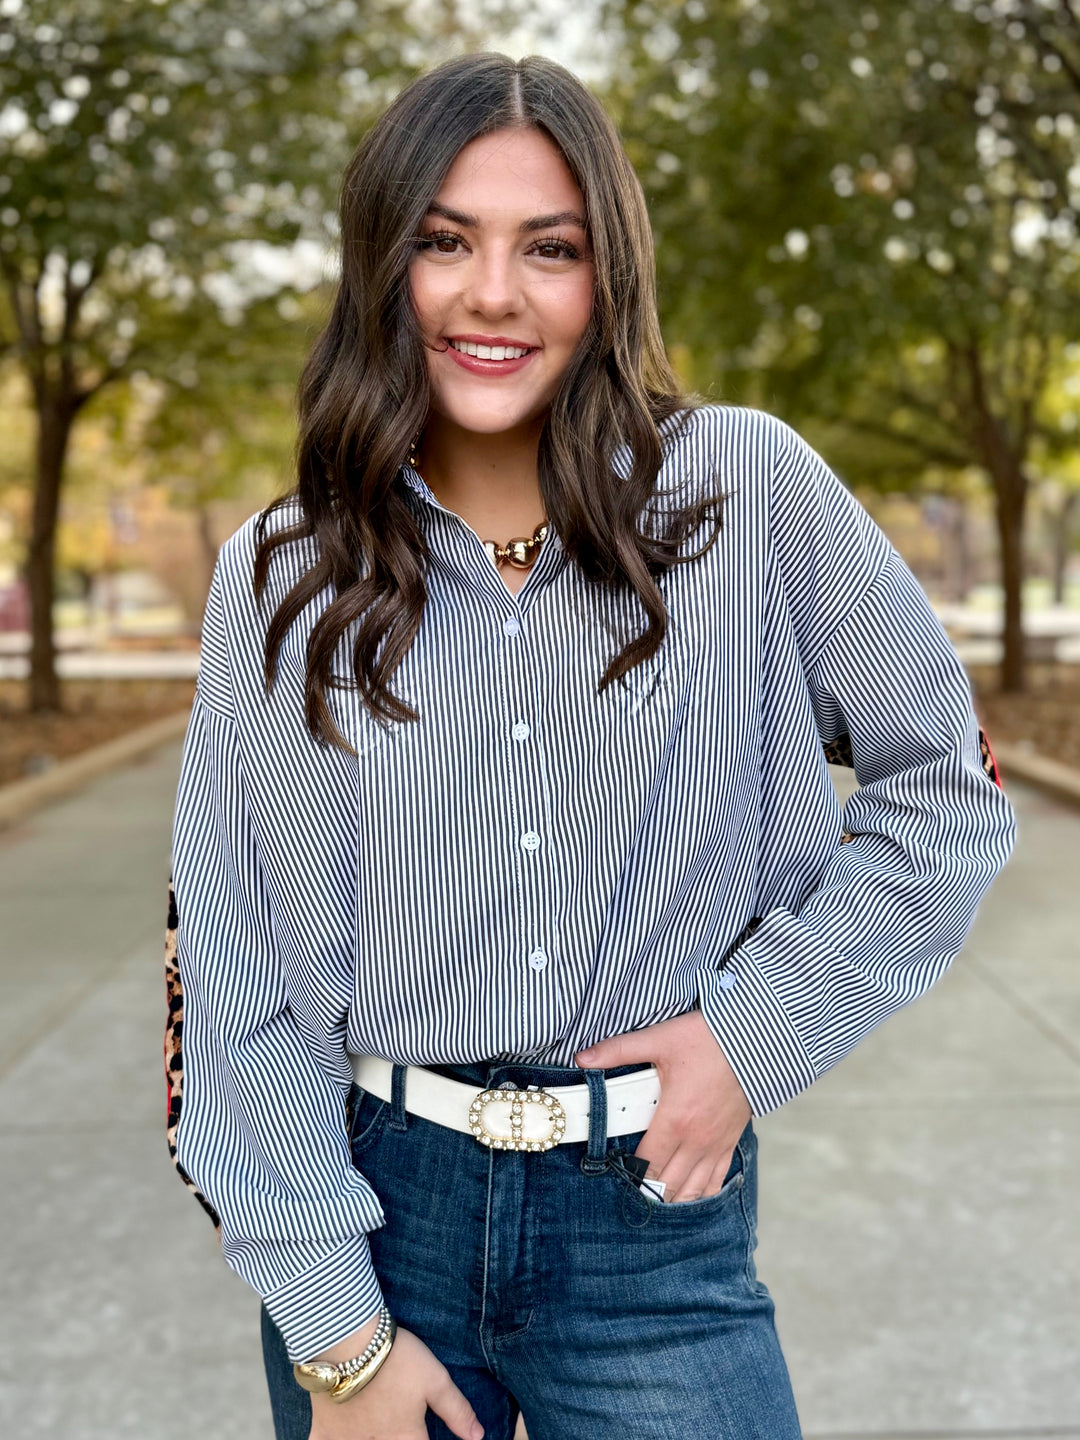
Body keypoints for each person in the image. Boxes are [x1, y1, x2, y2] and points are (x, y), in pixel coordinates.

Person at [166, 51, 1015, 1440]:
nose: (493, 294)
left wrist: (755, 1033)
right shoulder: (282, 573)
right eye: (445, 241)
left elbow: (949, 794)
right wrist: (340, 1342)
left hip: (652, 1226)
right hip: (380, 1231)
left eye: (547, 249)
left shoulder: (749, 493)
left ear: (606, 277)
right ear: (385, 265)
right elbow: (236, 968)